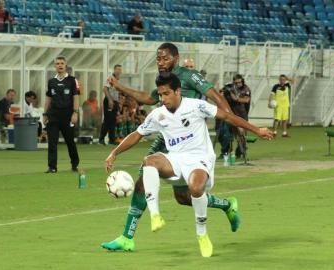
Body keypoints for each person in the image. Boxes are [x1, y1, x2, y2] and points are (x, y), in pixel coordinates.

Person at [104, 73, 273, 257]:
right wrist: (114, 153)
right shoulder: (158, 114)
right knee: (149, 162)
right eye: (160, 95)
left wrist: (257, 130)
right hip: (176, 158)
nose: (163, 99)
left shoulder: (195, 106)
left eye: (166, 94)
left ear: (178, 91)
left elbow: (226, 116)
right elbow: (137, 134)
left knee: (193, 190)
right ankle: (154, 217)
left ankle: (202, 234)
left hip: (200, 158)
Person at [101, 42, 242, 252]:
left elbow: (216, 97)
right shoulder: (163, 82)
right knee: (144, 181)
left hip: (189, 142)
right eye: (158, 59)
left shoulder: (188, 76)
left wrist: (233, 122)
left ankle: (226, 205)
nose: (160, 62)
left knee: (184, 197)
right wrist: (118, 87)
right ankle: (127, 237)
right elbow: (147, 99)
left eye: (165, 58)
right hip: (167, 138)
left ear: (176, 59)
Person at [43, 56, 80, 173]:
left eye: (62, 63)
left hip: (67, 115)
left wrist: (75, 113)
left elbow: (76, 97)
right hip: (53, 115)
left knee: (70, 142)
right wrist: (45, 114)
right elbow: (48, 98)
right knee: (52, 142)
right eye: (57, 63)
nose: (60, 65)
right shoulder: (51, 82)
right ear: (55, 66)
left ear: (66, 65)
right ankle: (52, 167)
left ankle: (75, 164)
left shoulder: (72, 80)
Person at [222, 74, 251, 158]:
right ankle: (227, 152)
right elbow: (220, 92)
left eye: (239, 82)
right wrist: (225, 91)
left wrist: (236, 98)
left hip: (242, 114)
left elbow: (246, 100)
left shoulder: (246, 89)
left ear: (242, 81)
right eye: (236, 83)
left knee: (242, 134)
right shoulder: (231, 88)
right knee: (232, 134)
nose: (238, 84)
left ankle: (242, 151)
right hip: (232, 115)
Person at [99, 64, 122, 145]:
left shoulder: (118, 80)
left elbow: (117, 93)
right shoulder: (111, 78)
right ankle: (101, 139)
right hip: (109, 101)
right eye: (118, 69)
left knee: (113, 121)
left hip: (115, 101)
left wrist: (118, 103)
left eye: (120, 69)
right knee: (107, 120)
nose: (119, 71)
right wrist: (110, 100)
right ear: (114, 70)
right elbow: (105, 89)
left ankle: (112, 140)